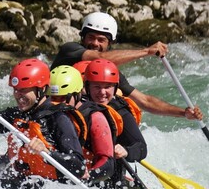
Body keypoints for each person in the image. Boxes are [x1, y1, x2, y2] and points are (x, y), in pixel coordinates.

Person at [0, 58, 86, 189]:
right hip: (23, 184)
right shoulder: (17, 114)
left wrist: (48, 152)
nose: (18, 96)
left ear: (42, 89)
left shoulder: (59, 119)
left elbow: (78, 166)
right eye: (16, 90)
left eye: (24, 90)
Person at [51, 11, 204, 121]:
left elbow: (145, 101)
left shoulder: (108, 74)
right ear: (83, 37)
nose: (95, 43)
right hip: (52, 111)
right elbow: (99, 57)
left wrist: (183, 113)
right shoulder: (70, 50)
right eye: (90, 37)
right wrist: (146, 51)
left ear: (109, 43)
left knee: (118, 97)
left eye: (101, 39)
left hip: (80, 118)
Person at [84, 59, 147, 189]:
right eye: (97, 87)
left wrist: (126, 151)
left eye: (107, 87)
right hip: (86, 176)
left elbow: (142, 148)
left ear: (115, 87)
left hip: (112, 183)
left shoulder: (121, 112)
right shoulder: (79, 106)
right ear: (87, 87)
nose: (102, 92)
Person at [47, 65, 115, 187]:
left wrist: (89, 176)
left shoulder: (95, 118)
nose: (57, 104)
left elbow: (108, 164)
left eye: (63, 98)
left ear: (77, 94)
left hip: (96, 184)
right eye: (53, 98)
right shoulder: (47, 114)